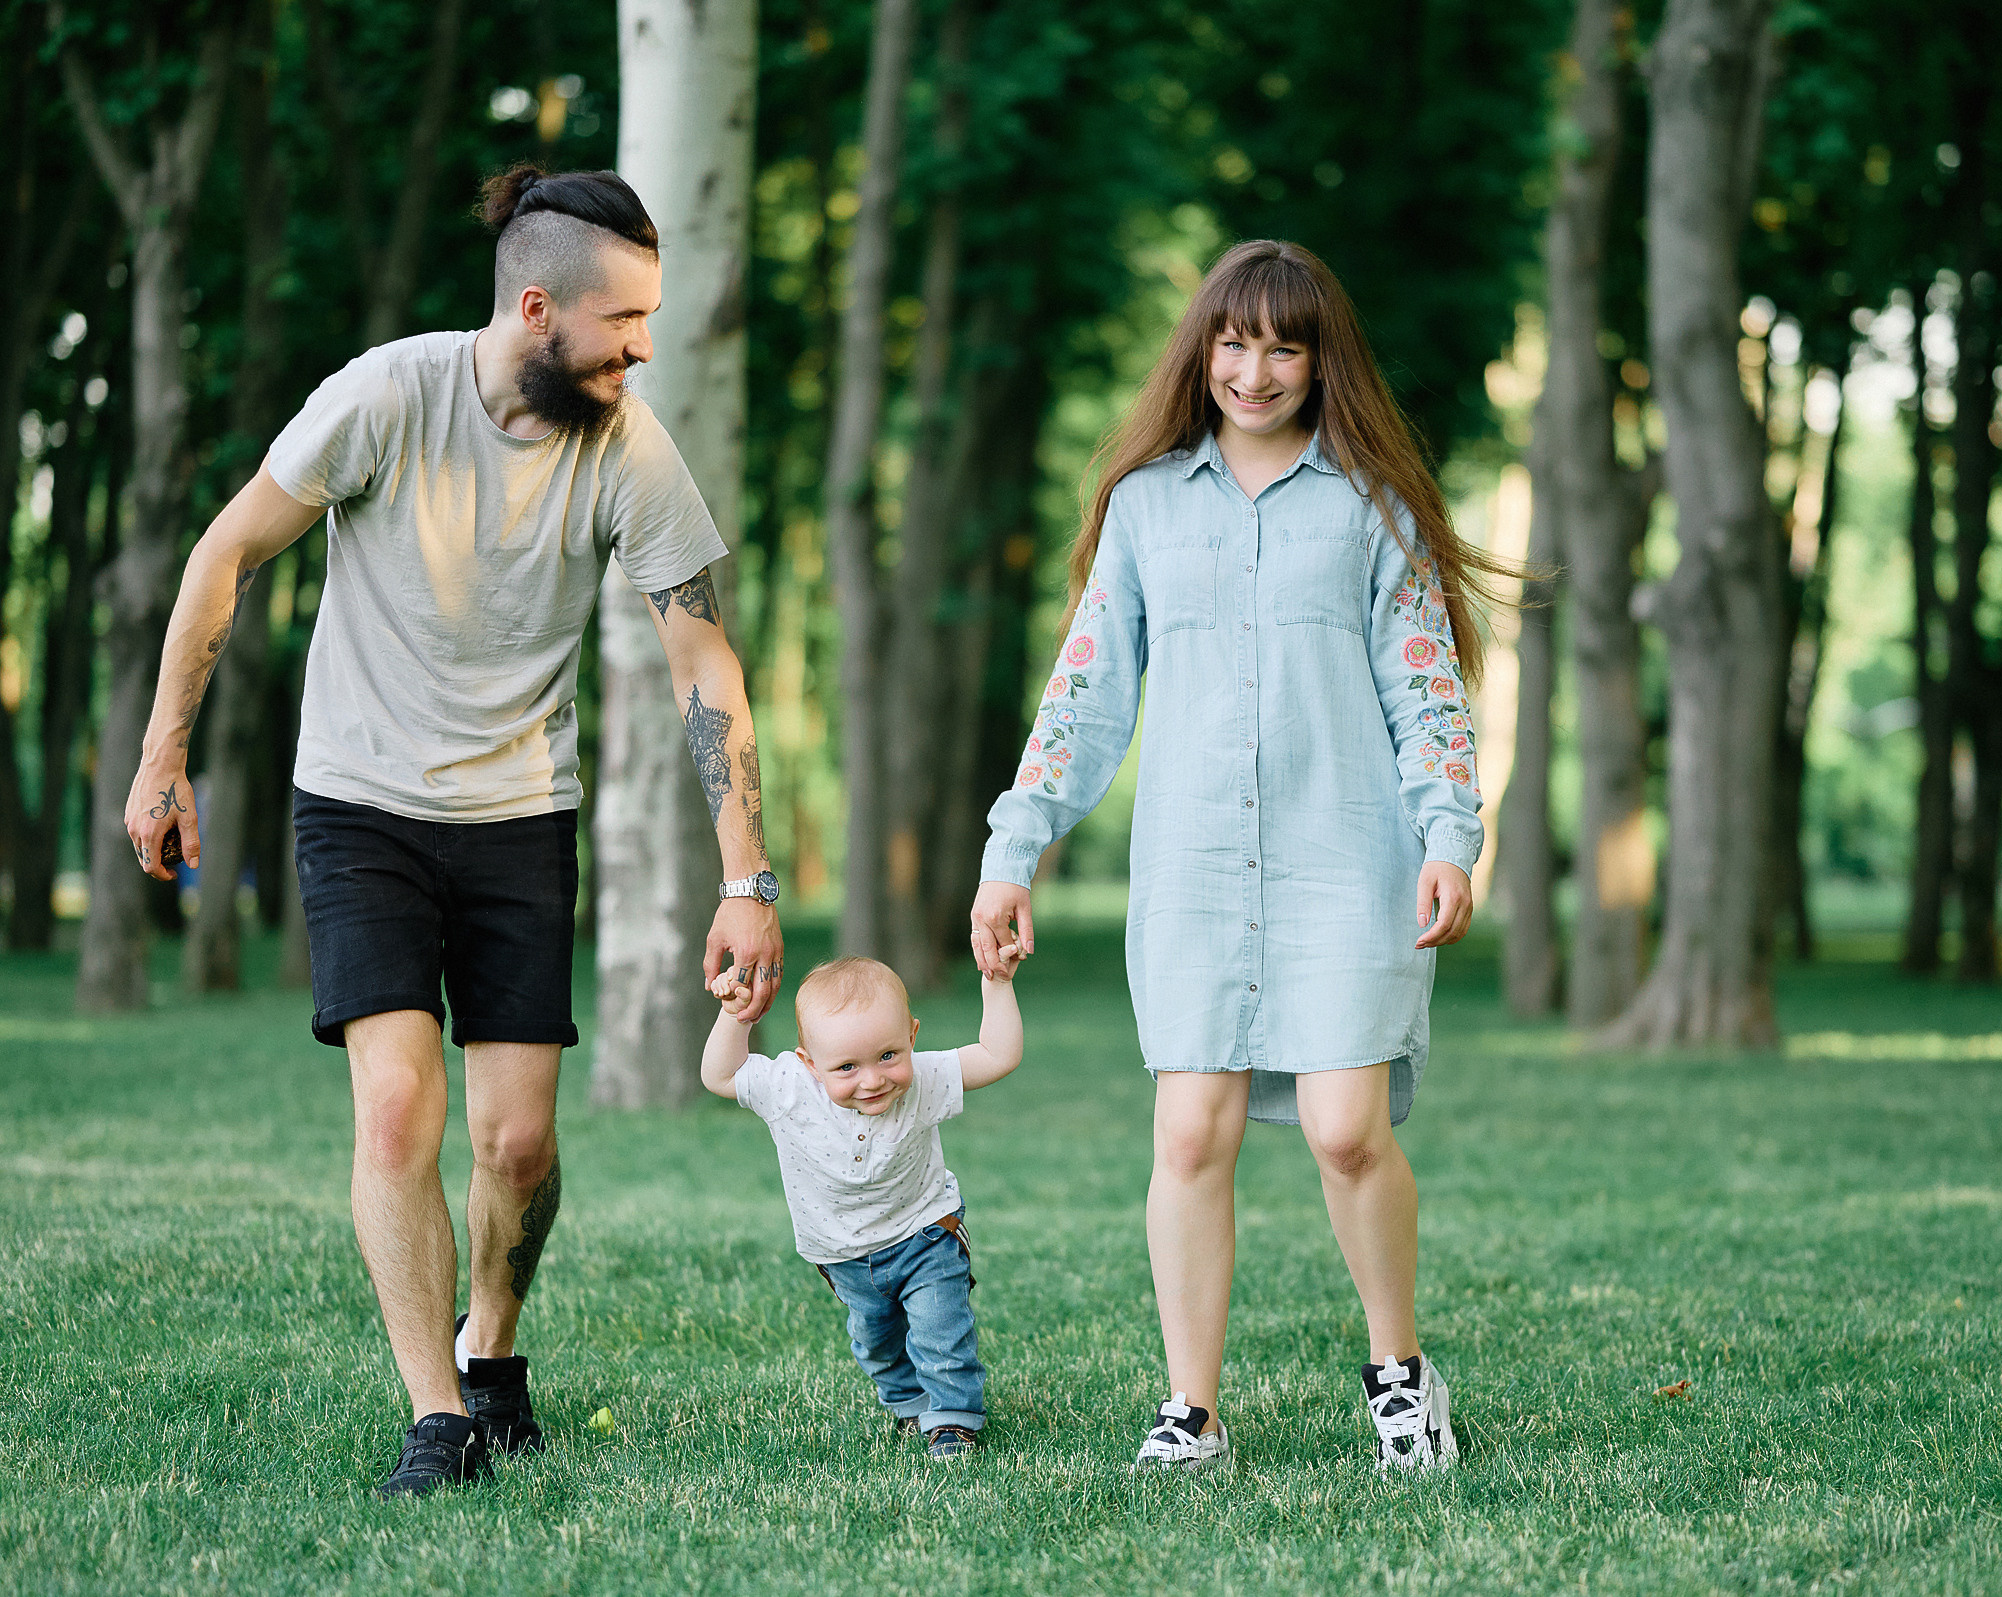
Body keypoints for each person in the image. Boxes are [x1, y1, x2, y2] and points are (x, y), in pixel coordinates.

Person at [122, 165, 786, 1496]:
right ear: (535, 308)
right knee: (395, 1110)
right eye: (624, 323)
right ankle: (439, 1417)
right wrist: (164, 754)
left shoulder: (628, 446)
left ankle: (495, 1350)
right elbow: (225, 552)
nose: (641, 347)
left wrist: (746, 875)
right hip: (361, 803)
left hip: (520, 818)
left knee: (518, 1145)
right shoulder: (387, 396)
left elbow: (703, 662)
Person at [969, 239, 1507, 1473]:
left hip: (1346, 862)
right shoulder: (1148, 505)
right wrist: (1017, 848)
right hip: (1197, 872)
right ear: (1201, 349)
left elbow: (1428, 692)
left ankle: (1399, 1374)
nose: (1253, 369)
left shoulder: (1373, 509)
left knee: (1344, 1130)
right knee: (1190, 1135)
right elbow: (1086, 694)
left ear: (1323, 363)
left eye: (1283, 345)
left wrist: (1448, 836)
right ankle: (1193, 1410)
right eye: (1233, 340)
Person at [702, 952, 1025, 1459]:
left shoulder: (926, 1078)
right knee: (875, 1341)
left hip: (925, 1232)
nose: (872, 1080)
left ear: (912, 1038)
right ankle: (910, 1404)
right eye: (847, 1067)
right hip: (841, 1253)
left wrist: (998, 984)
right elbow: (720, 1076)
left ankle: (953, 1420)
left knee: (941, 1327)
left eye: (889, 1056)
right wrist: (734, 1016)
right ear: (810, 1063)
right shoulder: (789, 1087)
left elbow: (997, 1054)